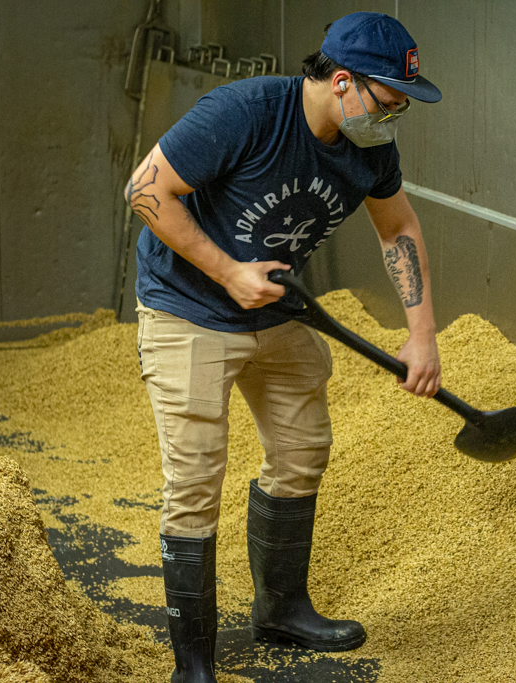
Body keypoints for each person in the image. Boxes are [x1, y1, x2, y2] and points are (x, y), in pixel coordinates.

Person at [125, 12, 442, 682]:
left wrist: (421, 337)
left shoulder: (369, 144)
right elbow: (146, 189)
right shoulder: (245, 113)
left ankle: (282, 608)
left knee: (302, 450)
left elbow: (398, 228)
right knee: (194, 480)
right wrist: (229, 272)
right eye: (388, 102)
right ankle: (193, 663)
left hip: (276, 306)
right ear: (344, 82)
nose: (393, 117)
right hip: (190, 306)